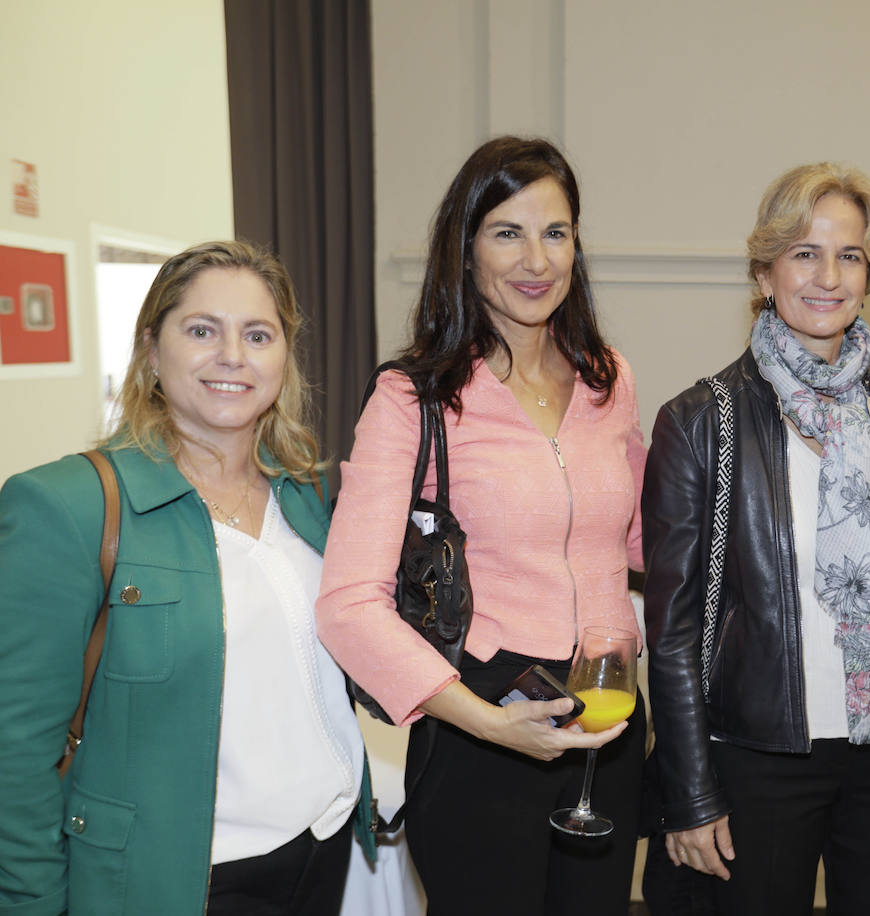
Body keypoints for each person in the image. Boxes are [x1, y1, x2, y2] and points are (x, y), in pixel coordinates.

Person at [315, 136, 647, 915]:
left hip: (607, 713)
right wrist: (489, 723)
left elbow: (640, 539)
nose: (537, 259)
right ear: (464, 251)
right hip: (482, 719)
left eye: (556, 232)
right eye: (507, 232)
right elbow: (347, 604)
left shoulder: (609, 379)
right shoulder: (413, 397)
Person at [0, 240, 373, 915]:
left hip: (323, 845)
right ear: (151, 350)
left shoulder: (306, 493)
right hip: (182, 880)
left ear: (282, 360)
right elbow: (14, 752)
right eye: (202, 330)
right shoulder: (70, 505)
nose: (232, 355)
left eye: (257, 334)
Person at [642, 162, 870, 914]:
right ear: (763, 270)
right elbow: (673, 630)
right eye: (804, 253)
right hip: (761, 757)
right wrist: (689, 788)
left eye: (849, 255)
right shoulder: (700, 421)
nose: (828, 275)